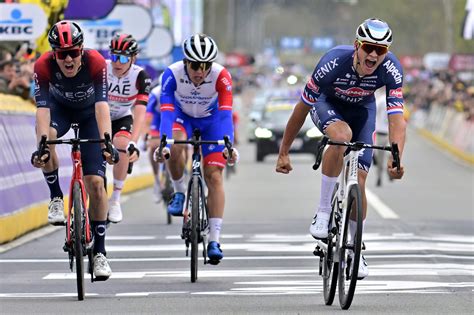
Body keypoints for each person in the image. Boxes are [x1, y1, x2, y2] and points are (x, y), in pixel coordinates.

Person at [276, 18, 406, 279]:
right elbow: (301, 109)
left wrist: (396, 157)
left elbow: (396, 118)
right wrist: (284, 151)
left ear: (387, 52)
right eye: (368, 47)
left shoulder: (392, 69)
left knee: (360, 179)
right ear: (357, 45)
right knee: (341, 136)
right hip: (327, 104)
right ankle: (323, 211)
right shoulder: (333, 62)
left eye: (380, 50)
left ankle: (357, 250)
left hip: (362, 112)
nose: (373, 54)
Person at [30, 20, 118, 279]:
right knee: (47, 139)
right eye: (61, 54)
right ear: (53, 54)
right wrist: (41, 146)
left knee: (96, 184)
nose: (68, 59)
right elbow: (43, 111)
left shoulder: (96, 62)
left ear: (82, 50)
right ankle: (56, 197)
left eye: (73, 52)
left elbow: (103, 107)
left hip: (91, 115)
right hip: (61, 111)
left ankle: (100, 253)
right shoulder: (42, 66)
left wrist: (107, 142)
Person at [154, 33, 239, 264]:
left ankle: (214, 239)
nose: (200, 71)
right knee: (176, 143)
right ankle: (180, 191)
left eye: (205, 66)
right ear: (185, 62)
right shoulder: (172, 74)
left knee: (214, 177)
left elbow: (225, 113)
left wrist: (227, 144)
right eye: (194, 65)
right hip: (183, 118)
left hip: (212, 122)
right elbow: (168, 110)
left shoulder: (222, 76)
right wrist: (163, 140)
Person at [106, 33, 151, 223]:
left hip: (122, 117)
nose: (118, 62)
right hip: (99, 116)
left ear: (133, 58)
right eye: (115, 56)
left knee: (122, 144)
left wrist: (134, 142)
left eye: (123, 58)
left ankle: (115, 199)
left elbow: (140, 112)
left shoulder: (140, 76)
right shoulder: (102, 68)